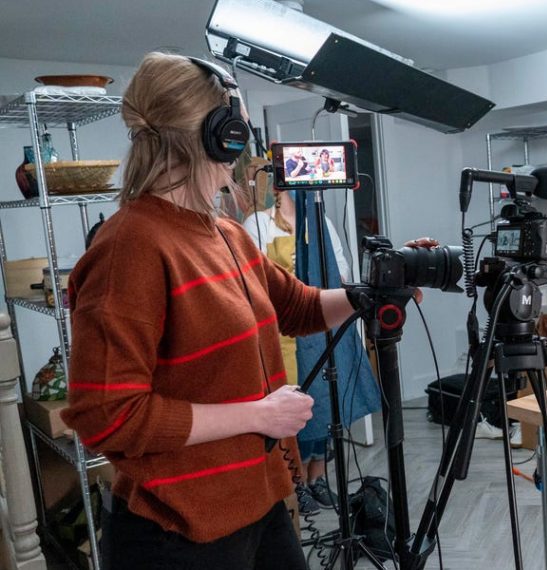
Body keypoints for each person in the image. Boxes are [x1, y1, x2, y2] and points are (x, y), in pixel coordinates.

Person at [60, 53, 372, 569]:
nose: (243, 144)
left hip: (258, 501)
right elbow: (107, 416)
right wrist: (259, 415)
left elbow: (297, 307)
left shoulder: (225, 233)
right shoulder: (130, 247)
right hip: (178, 530)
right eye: (238, 128)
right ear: (214, 136)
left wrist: (370, 293)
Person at [242, 188, 363, 514]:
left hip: (321, 324)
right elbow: (255, 283)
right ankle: (296, 482)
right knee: (295, 403)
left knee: (324, 403)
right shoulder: (258, 224)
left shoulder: (322, 222)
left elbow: (341, 272)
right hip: (283, 333)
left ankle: (318, 477)